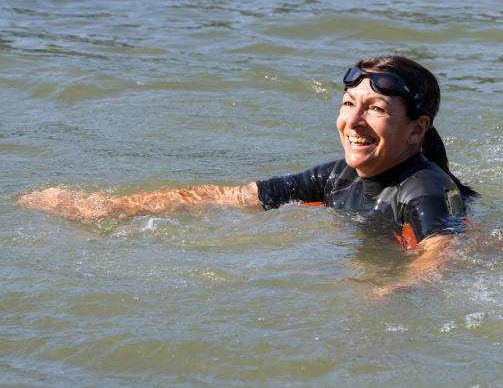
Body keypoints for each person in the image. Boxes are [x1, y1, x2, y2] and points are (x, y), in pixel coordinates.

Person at [19, 55, 477, 296]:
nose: (352, 122)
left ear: (417, 130)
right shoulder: (338, 177)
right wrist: (111, 208)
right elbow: (233, 196)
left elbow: (443, 250)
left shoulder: (425, 187)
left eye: (375, 109)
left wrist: (400, 288)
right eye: (346, 105)